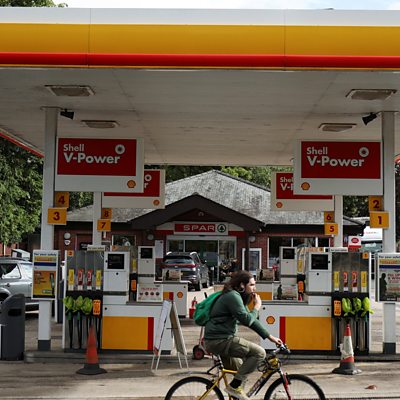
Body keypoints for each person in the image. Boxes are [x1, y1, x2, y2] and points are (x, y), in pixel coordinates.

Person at [204, 270, 282, 400]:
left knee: (242, 371)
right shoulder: (232, 296)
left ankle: (236, 392)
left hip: (219, 340)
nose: (254, 288)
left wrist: (270, 337)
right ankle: (234, 388)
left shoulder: (236, 297)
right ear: (241, 285)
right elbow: (247, 319)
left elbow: (252, 322)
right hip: (220, 340)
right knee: (259, 353)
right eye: (251, 285)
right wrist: (257, 307)